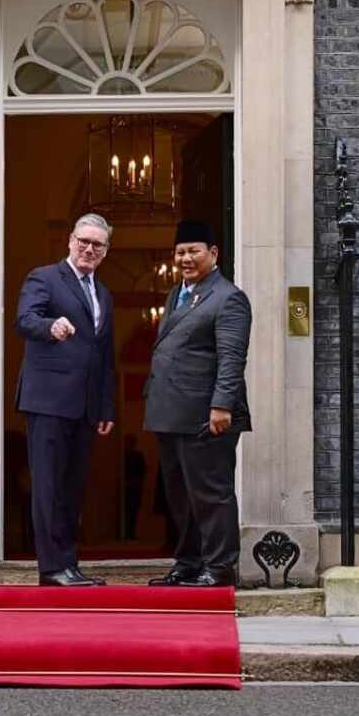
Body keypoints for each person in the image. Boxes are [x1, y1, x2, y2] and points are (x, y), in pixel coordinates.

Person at [143, 219, 251, 588]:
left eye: (193, 251)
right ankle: (188, 563)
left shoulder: (228, 297)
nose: (185, 258)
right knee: (180, 496)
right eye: (180, 252)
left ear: (213, 254)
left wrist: (221, 405)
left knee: (210, 493)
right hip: (171, 412)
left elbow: (232, 357)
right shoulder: (178, 293)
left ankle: (219, 567)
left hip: (207, 414)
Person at [15, 213, 116, 587]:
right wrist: (49, 326)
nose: (89, 248)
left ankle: (68, 564)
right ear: (70, 241)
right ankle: (52, 567)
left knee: (73, 488)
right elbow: (25, 319)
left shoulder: (102, 293)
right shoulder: (44, 277)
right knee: (49, 485)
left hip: (85, 406)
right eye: (84, 241)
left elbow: (105, 356)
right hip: (48, 400)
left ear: (106, 252)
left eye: (97, 244)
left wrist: (106, 406)